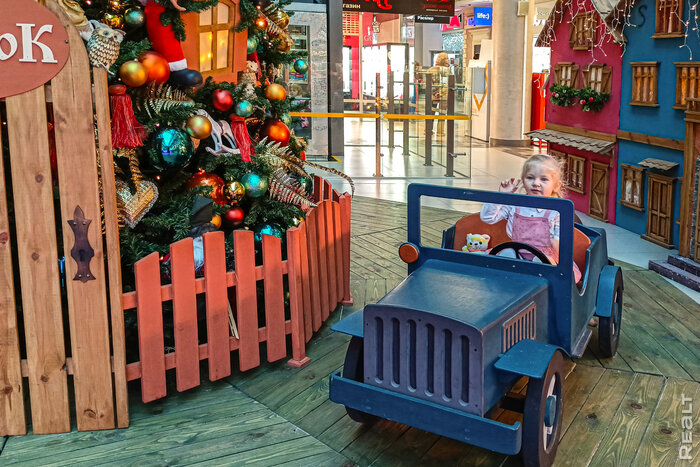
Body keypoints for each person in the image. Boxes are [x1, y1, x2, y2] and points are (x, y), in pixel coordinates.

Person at [480, 154, 582, 284]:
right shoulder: (515, 205)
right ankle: (505, 283)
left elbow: (559, 244)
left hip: (546, 256)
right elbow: (487, 218)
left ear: (556, 186)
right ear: (523, 181)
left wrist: (557, 242)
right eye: (530, 178)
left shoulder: (557, 211)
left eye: (544, 179)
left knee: (545, 263)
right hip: (517, 254)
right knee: (505, 254)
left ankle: (541, 286)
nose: (536, 183)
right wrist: (501, 196)